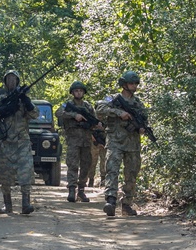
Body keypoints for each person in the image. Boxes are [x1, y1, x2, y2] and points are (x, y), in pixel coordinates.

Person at [96, 71, 151, 217]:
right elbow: (99, 109)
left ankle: (126, 204)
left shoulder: (138, 103)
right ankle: (111, 201)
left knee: (132, 173)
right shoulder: (113, 98)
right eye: (132, 83)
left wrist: (142, 128)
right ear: (124, 84)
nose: (134, 86)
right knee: (112, 170)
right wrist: (118, 113)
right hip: (115, 141)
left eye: (136, 84)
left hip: (132, 144)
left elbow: (144, 120)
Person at [0, 69, 38, 215]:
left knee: (25, 173)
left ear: (17, 81)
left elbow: (35, 114)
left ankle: (26, 203)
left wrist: (27, 103)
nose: (11, 81)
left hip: (22, 142)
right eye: (8, 79)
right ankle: (7, 204)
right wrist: (5, 109)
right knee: (5, 175)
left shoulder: (23, 99)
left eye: (14, 79)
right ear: (5, 81)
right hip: (6, 142)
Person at [55, 81, 98, 202]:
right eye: (76, 91)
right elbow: (58, 113)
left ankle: (81, 190)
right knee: (72, 164)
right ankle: (72, 189)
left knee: (86, 165)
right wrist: (74, 115)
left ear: (83, 92)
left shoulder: (88, 106)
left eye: (80, 91)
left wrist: (96, 126)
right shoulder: (67, 105)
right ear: (72, 92)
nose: (78, 93)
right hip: (73, 139)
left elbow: (93, 121)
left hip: (86, 139)